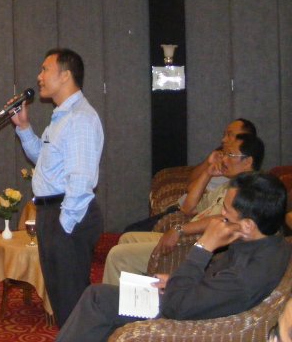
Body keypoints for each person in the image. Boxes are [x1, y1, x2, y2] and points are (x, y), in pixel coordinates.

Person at [57, 171, 291, 342]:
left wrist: (203, 247)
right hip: (189, 299)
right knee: (99, 300)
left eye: (227, 212)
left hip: (186, 318)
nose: (221, 215)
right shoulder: (269, 243)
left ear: (248, 225)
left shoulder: (246, 276)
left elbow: (178, 307)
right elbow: (214, 285)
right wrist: (175, 281)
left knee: (97, 300)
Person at [9, 48, 104, 327]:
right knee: (63, 302)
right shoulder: (62, 116)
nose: (39, 77)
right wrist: (23, 127)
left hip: (67, 214)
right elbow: (45, 160)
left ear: (65, 75)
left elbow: (81, 181)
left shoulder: (80, 118)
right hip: (53, 213)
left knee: (72, 303)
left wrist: (63, 226)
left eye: (45, 69)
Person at [102, 132, 263, 285]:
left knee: (118, 256)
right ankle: (135, 299)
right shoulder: (229, 185)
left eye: (230, 155)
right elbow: (188, 208)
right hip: (187, 236)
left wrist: (179, 230)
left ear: (248, 161)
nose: (224, 159)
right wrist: (208, 173)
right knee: (127, 238)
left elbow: (224, 220)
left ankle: (113, 303)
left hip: (193, 245)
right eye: (224, 154)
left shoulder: (249, 192)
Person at [123, 118, 257, 232]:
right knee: (129, 232)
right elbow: (189, 185)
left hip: (185, 217)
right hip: (181, 208)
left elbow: (198, 208)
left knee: (129, 233)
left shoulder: (238, 184)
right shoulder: (221, 161)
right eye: (224, 134)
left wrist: (181, 230)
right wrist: (208, 164)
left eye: (230, 135)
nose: (223, 139)